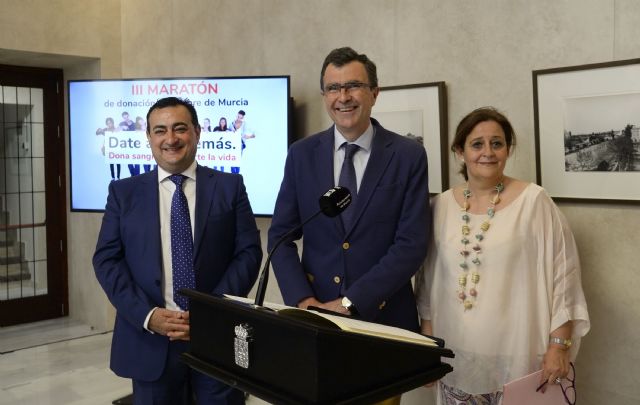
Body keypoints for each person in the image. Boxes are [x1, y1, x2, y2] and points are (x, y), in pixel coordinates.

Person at [93, 97, 263, 405]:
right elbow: (106, 260)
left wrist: (209, 312)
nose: (170, 139)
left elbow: (248, 253)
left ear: (197, 132)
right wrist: (148, 315)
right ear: (148, 137)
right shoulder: (123, 192)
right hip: (150, 338)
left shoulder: (230, 186)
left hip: (216, 337)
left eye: (180, 128)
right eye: (160, 130)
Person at [416, 107, 590, 404]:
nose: (488, 152)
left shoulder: (534, 201)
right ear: (459, 151)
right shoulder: (440, 206)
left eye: (497, 143)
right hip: (456, 357)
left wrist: (559, 345)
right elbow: (428, 286)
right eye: (477, 144)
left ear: (507, 150)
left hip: (518, 356)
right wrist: (429, 348)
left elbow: (564, 277)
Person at [268, 46, 429, 331]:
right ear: (324, 96)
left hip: (387, 320)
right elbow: (281, 237)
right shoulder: (301, 154)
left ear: (374, 93)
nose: (343, 97)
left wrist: (350, 302)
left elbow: (411, 245)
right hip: (317, 319)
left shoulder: (408, 155)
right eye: (333, 88)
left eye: (353, 86)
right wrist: (303, 302)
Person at [96, 117, 121, 181]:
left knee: (118, 163)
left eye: (110, 123)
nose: (109, 124)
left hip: (117, 148)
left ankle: (118, 177)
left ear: (112, 123)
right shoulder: (106, 129)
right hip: (109, 149)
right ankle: (113, 177)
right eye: (108, 123)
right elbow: (97, 133)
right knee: (111, 163)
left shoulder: (116, 129)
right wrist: (100, 130)